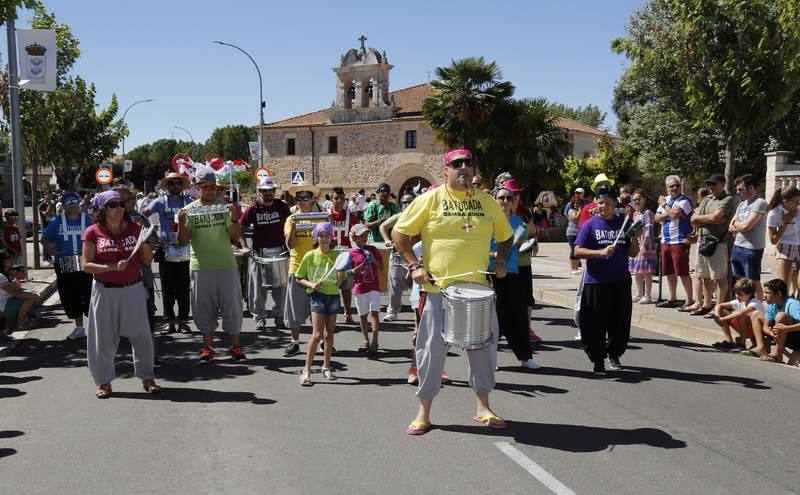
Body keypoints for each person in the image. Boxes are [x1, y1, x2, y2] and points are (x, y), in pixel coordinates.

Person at [392, 148, 514, 435]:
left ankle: (483, 407)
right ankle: (424, 411)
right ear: (446, 170)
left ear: (473, 169)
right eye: (456, 164)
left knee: (482, 350)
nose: (463, 168)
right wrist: (413, 265)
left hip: (478, 290)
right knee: (431, 352)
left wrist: (500, 260)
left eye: (468, 164)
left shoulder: (487, 202)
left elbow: (506, 237)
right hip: (438, 290)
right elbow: (400, 233)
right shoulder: (430, 199)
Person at [81, 190, 161, 398]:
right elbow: (86, 266)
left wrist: (144, 242)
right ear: (102, 210)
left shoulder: (136, 228)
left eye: (121, 204)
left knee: (141, 335)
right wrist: (111, 266)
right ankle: (104, 382)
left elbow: (147, 261)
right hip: (104, 291)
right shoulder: (92, 232)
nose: (119, 208)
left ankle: (147, 377)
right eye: (113, 205)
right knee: (103, 339)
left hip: (133, 288)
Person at [177, 167, 249, 365]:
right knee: (203, 308)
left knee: (232, 307)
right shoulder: (190, 210)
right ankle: (208, 348)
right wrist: (182, 223)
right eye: (204, 187)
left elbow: (234, 236)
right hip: (201, 266)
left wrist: (234, 218)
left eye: (212, 186)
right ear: (197, 187)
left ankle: (235, 346)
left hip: (226, 264)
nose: (209, 190)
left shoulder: (225, 207)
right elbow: (183, 241)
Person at [574, 183, 639, 374]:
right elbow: (577, 251)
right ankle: (597, 360)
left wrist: (634, 236)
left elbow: (633, 253)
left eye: (608, 203)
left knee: (619, 323)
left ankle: (614, 354)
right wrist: (600, 252)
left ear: (614, 204)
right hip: (596, 282)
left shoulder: (623, 223)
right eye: (600, 203)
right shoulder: (590, 224)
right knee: (594, 324)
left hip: (620, 281)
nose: (604, 206)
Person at [492, 183, 539, 369]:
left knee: (518, 316)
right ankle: (490, 358)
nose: (505, 201)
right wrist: (494, 254)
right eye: (501, 198)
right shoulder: (488, 221)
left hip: (513, 273)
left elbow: (522, 243)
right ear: (495, 201)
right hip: (492, 274)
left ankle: (525, 357)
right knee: (495, 318)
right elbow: (481, 247)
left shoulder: (519, 221)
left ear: (513, 202)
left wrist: (528, 244)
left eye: (508, 198)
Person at [143, 172, 193, 334]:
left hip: (186, 250)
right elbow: (143, 215)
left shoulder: (189, 202)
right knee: (167, 289)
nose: (175, 186)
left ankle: (184, 321)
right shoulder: (158, 202)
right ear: (167, 186)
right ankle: (169, 321)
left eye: (178, 183)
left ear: (182, 185)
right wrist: (152, 235)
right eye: (172, 184)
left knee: (184, 288)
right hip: (165, 250)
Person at [239, 177, 291, 330]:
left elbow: (290, 226)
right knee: (257, 289)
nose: (267, 193)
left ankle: (279, 316)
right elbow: (240, 227)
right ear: (260, 191)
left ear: (274, 191)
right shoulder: (253, 208)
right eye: (264, 191)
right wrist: (244, 245)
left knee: (280, 288)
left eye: (270, 190)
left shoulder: (282, 206)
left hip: (280, 252)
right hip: (259, 253)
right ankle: (259, 317)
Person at [41, 191, 93, 340]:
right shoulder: (56, 221)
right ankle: (79, 328)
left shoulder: (87, 219)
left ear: (79, 203)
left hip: (86, 262)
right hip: (64, 263)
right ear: (63, 206)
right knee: (71, 295)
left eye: (74, 202)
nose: (72, 205)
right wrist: (51, 249)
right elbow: (44, 239)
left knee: (91, 294)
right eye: (68, 203)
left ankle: (97, 327)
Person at [295, 222, 343, 385]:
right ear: (316, 237)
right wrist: (311, 285)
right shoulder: (310, 255)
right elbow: (299, 277)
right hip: (317, 296)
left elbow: (340, 281)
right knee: (317, 335)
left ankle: (326, 366)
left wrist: (343, 276)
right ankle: (306, 370)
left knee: (329, 334)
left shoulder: (338, 256)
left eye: (327, 235)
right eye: (321, 235)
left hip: (333, 296)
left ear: (331, 237)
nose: (324, 238)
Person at [282, 181, 324, 357]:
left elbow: (324, 243)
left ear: (312, 199)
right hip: (297, 267)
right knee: (295, 309)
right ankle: (295, 342)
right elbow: (290, 244)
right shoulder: (291, 218)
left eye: (305, 197)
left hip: (317, 268)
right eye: (298, 197)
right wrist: (293, 226)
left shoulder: (320, 217)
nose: (301, 201)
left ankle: (321, 341)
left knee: (320, 308)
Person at [689, 173, 736, 316]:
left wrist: (702, 219)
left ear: (722, 184)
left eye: (714, 184)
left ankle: (719, 307)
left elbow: (716, 217)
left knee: (719, 277)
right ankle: (706, 304)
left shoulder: (728, 199)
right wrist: (709, 219)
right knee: (704, 276)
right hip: (702, 241)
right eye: (709, 184)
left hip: (717, 242)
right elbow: (693, 218)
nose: (711, 187)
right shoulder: (706, 199)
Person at [654, 175, 694, 310]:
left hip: (680, 241)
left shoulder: (685, 200)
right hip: (666, 241)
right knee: (669, 272)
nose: (675, 188)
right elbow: (657, 218)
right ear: (667, 188)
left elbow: (675, 215)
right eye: (672, 186)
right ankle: (672, 298)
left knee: (682, 272)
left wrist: (664, 206)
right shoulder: (666, 199)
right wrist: (668, 211)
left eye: (677, 185)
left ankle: (689, 300)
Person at [729, 174, 767, 300]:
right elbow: (730, 227)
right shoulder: (741, 205)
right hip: (737, 246)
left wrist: (737, 224)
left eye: (741, 189)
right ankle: (743, 306)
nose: (738, 192)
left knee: (753, 281)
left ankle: (758, 308)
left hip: (751, 249)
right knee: (740, 280)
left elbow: (747, 226)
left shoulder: (760, 203)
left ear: (751, 188)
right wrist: (739, 224)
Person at [379, 193, 415, 322]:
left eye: (410, 202)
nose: (408, 205)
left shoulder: (420, 217)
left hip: (414, 257)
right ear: (401, 205)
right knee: (394, 286)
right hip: (397, 256)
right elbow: (383, 226)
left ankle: (418, 312)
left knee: (416, 286)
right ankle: (393, 311)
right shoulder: (398, 217)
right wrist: (387, 240)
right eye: (405, 202)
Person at [348, 223, 384, 354]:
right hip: (359, 288)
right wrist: (353, 271)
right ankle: (366, 341)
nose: (364, 238)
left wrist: (372, 258)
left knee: (374, 313)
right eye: (361, 236)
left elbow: (381, 267)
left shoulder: (373, 249)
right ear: (354, 237)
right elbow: (347, 271)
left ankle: (375, 340)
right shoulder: (350, 253)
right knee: (363, 316)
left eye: (366, 235)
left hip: (373, 286)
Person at [749, 278, 800, 362]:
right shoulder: (773, 304)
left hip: (796, 338)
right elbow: (765, 326)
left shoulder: (793, 305)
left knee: (780, 316)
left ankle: (778, 355)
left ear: (779, 294)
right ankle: (761, 347)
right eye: (764, 292)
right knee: (756, 314)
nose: (764, 296)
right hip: (782, 334)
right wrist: (770, 333)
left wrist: (786, 329)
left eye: (767, 293)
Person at [327, 186, 355, 323]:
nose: (339, 201)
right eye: (336, 198)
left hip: (346, 255)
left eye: (341, 198)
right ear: (331, 199)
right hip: (330, 255)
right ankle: (329, 314)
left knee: (346, 287)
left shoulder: (351, 216)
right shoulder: (325, 216)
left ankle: (348, 313)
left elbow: (357, 234)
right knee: (330, 287)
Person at [712, 278, 762, 352]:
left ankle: (742, 344)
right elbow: (719, 305)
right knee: (722, 311)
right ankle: (729, 341)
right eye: (736, 293)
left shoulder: (755, 303)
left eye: (740, 294)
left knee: (742, 316)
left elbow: (740, 313)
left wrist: (723, 319)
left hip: (756, 331)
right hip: (744, 328)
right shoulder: (740, 301)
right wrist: (717, 316)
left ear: (750, 294)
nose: (737, 296)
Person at [765, 186, 800, 290]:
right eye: (796, 201)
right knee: (782, 284)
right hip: (785, 246)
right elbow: (773, 240)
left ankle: (796, 305)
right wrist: (786, 223)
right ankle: (783, 305)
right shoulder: (774, 213)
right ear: (785, 201)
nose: (798, 203)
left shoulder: (798, 209)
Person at [629, 189, 656, 304]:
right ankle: (639, 293)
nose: (636, 202)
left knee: (646, 272)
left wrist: (643, 246)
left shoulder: (648, 213)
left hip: (646, 245)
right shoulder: (635, 214)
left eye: (638, 199)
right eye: (634, 200)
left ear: (644, 199)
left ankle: (648, 295)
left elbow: (649, 231)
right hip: (637, 245)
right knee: (637, 272)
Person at [0, 251, 38, 331]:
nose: (10, 260)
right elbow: (15, 293)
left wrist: (30, 293)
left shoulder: (5, 274)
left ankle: (21, 318)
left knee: (31, 294)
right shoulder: (1, 276)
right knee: (31, 297)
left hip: (7, 300)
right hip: (3, 304)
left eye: (10, 257)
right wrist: (32, 295)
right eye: (7, 258)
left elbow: (16, 290)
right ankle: (20, 322)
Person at [566, 196, 583, 274]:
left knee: (578, 250)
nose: (577, 204)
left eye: (579, 203)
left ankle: (576, 266)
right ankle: (573, 268)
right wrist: (580, 211)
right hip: (572, 233)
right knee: (573, 250)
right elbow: (575, 219)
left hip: (579, 232)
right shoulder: (571, 210)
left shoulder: (582, 211)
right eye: (576, 203)